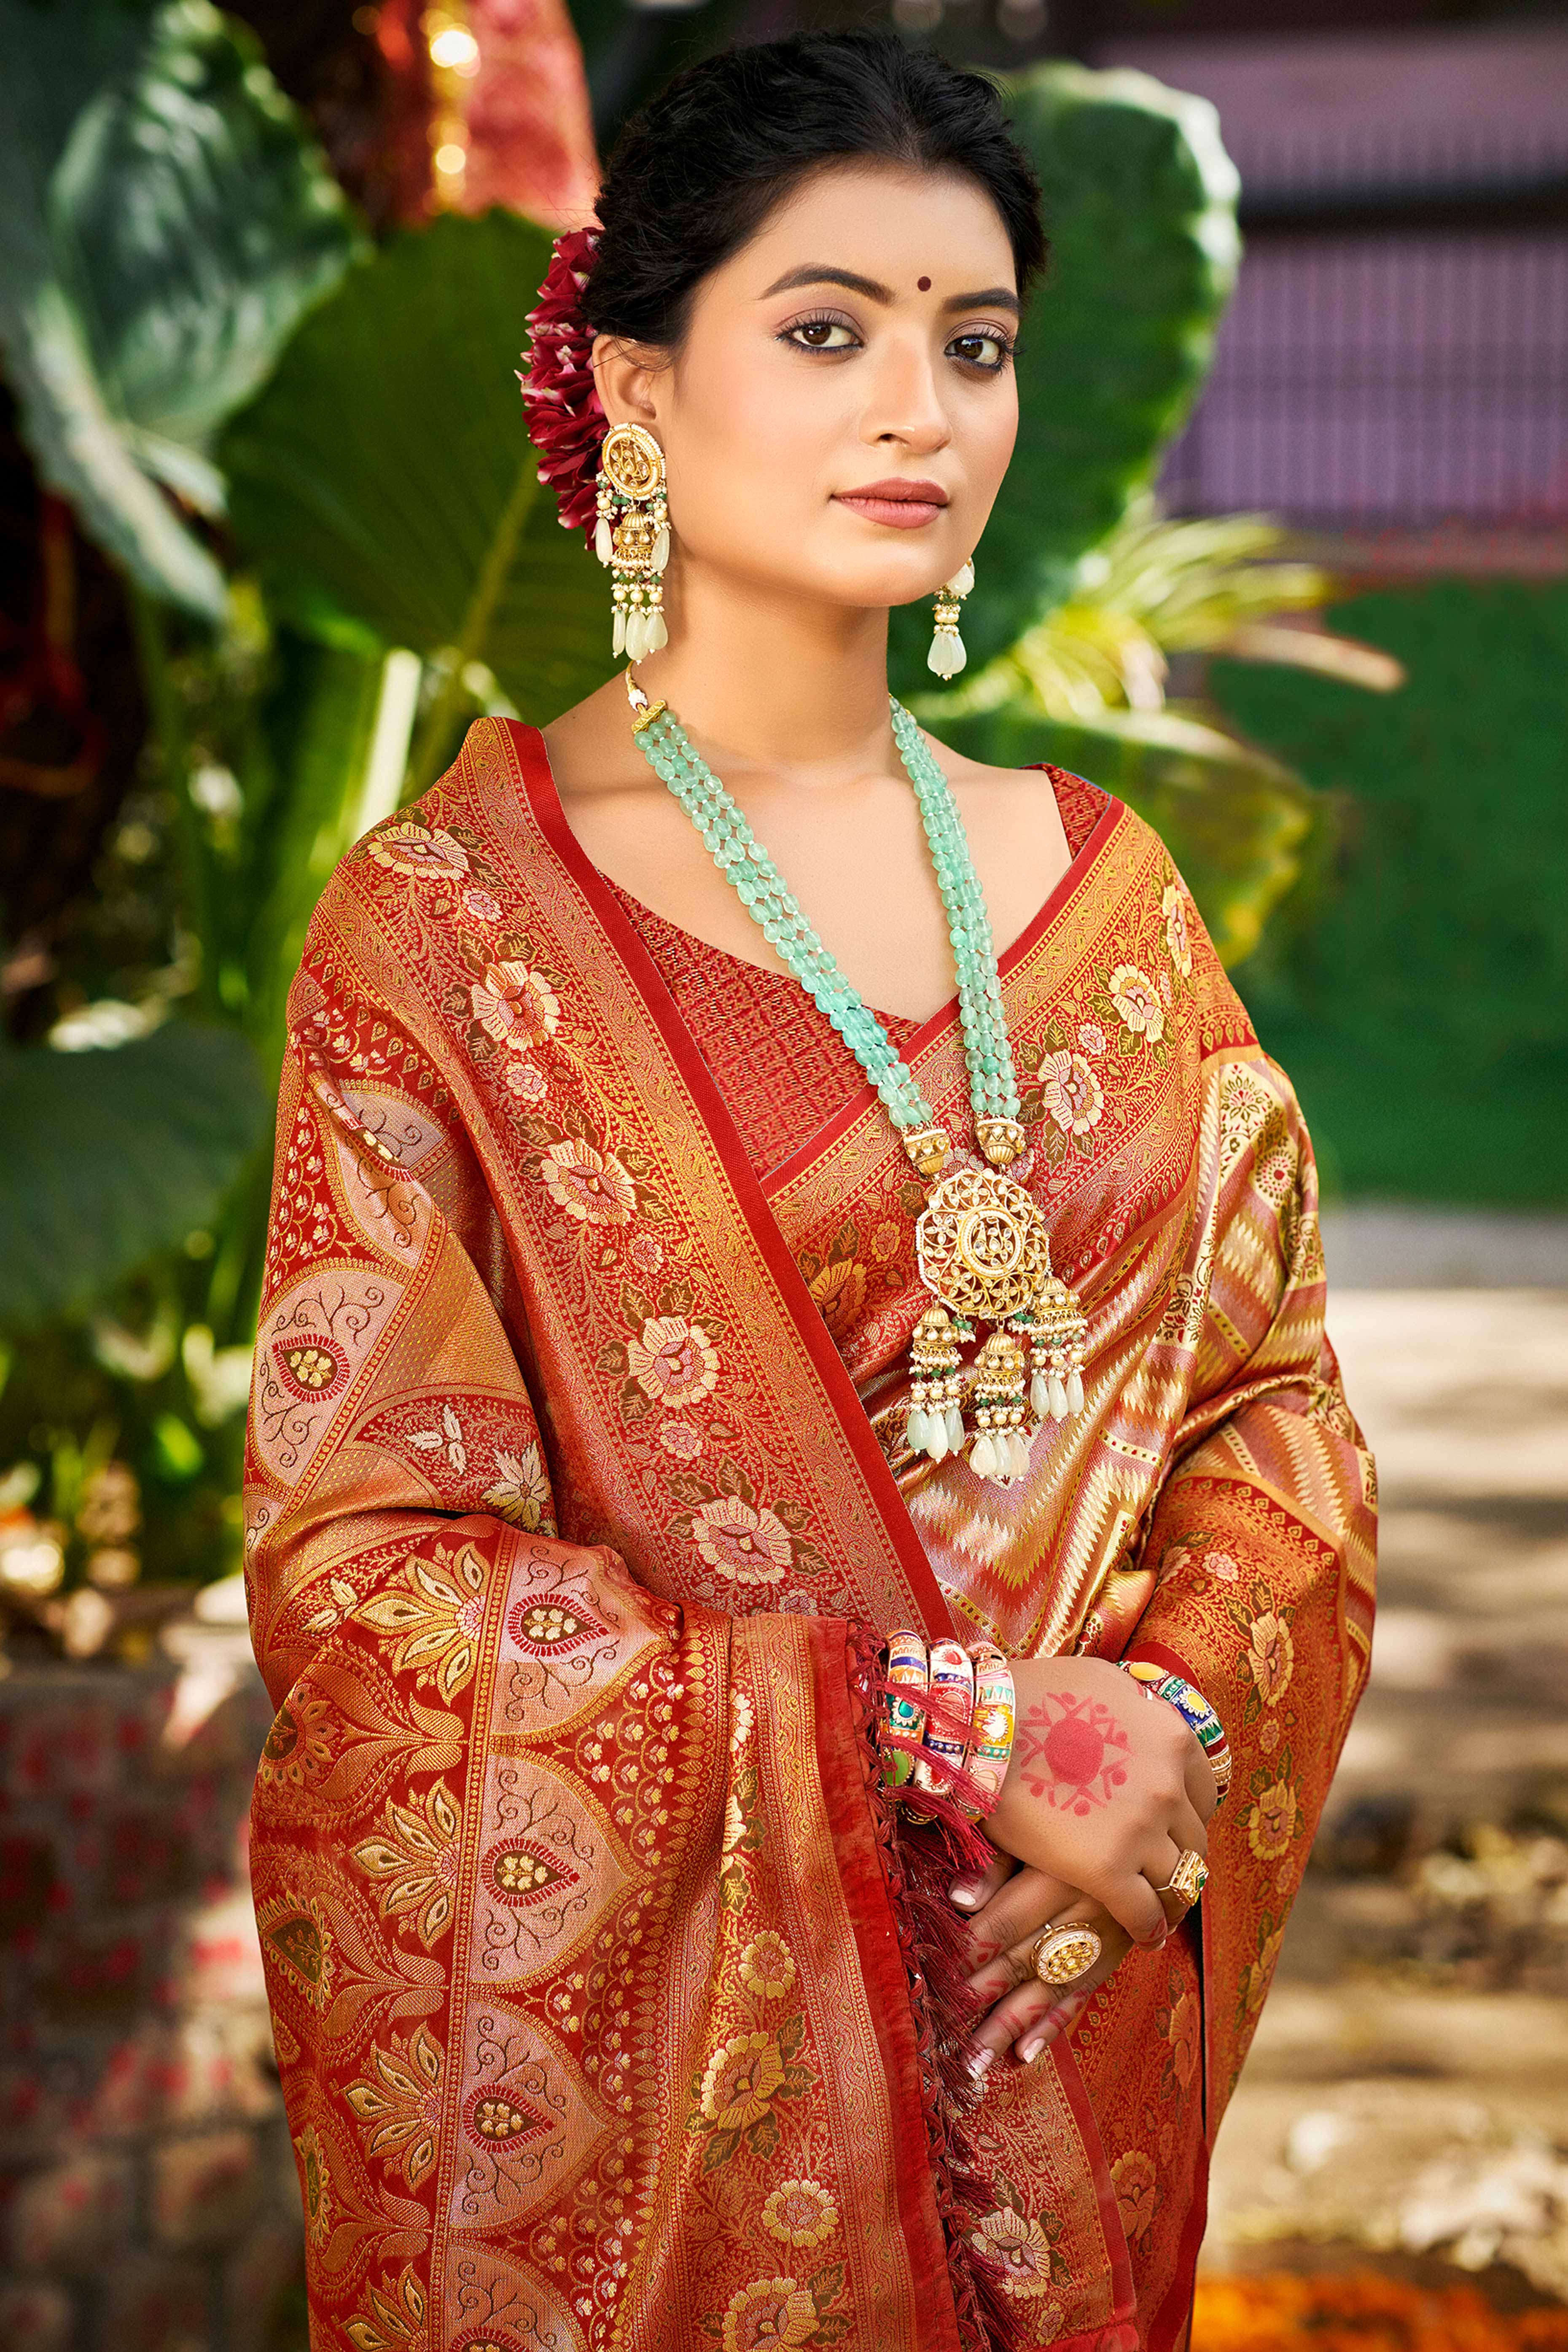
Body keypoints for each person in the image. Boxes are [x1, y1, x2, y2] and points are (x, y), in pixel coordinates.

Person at [244, 32, 1375, 2352]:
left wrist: (1166, 1718)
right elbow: (367, 1573)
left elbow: (1266, 1402)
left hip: (1066, 2022)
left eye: (971, 347)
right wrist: (932, 1742)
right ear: (635, 391)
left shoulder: (1103, 890)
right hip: (692, 2124)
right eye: (826, 329)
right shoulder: (452, 928)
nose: (919, 409)